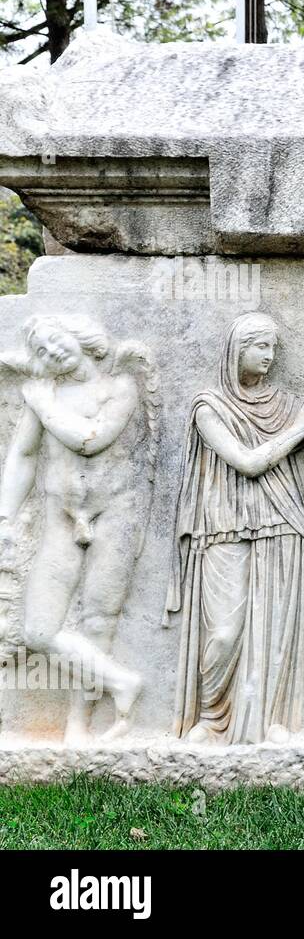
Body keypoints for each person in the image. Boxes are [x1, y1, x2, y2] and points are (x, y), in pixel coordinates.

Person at [0, 315, 159, 743]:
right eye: (43, 352)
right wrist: (4, 517)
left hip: (116, 514)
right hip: (61, 516)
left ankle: (79, 724)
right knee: (38, 629)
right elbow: (24, 456)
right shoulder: (44, 394)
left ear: (79, 335)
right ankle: (122, 681)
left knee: (98, 619)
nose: (53, 353)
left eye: (56, 341)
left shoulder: (118, 387)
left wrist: (44, 405)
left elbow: (91, 439)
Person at [168, 312, 304, 745]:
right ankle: (213, 717)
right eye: (261, 347)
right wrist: (302, 428)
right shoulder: (209, 406)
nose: (269, 357)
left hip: (282, 521)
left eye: (274, 348)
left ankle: (269, 717)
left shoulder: (284, 404)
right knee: (223, 632)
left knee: (274, 628)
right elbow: (247, 462)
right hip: (223, 524)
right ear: (238, 349)